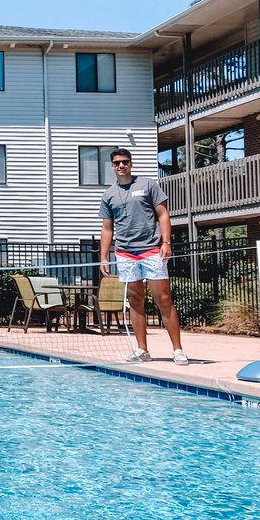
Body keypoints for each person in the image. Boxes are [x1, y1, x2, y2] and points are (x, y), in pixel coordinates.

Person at [98, 147, 189, 365]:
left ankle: (178, 350)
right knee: (135, 300)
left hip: (151, 250)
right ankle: (142, 350)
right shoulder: (109, 194)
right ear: (112, 166)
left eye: (125, 162)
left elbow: (163, 214)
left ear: (131, 164)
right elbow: (107, 229)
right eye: (117, 162)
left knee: (163, 299)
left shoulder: (147, 185)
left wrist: (166, 242)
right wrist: (104, 256)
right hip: (125, 253)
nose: (122, 165)